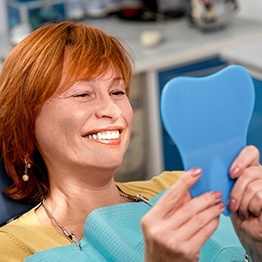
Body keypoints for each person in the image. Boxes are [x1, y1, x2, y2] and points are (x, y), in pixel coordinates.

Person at [0, 21, 261, 262]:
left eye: (117, 91)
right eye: (82, 94)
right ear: (27, 123)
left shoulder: (181, 187)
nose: (113, 110)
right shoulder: (13, 248)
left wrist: (255, 245)